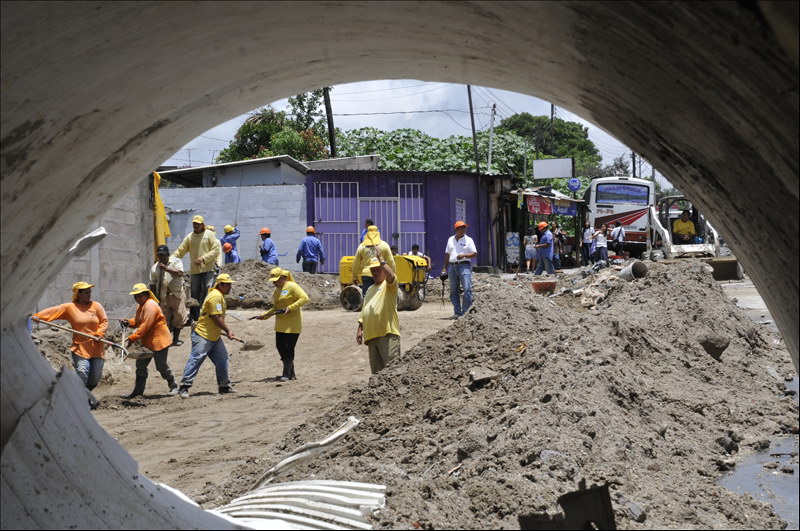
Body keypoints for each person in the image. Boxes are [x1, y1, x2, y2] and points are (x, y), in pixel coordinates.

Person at [32, 281, 108, 391]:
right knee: (82, 371)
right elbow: (54, 311)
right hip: (80, 348)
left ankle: (85, 394)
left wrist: (99, 333)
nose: (89, 294)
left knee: (95, 378)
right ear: (78, 294)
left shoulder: (96, 306)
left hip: (97, 347)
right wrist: (38, 316)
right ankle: (79, 396)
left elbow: (104, 321)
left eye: (89, 292)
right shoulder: (70, 307)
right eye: (86, 292)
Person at [177, 274, 238, 398]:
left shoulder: (218, 295)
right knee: (196, 358)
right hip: (203, 335)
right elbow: (215, 316)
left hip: (213, 335)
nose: (230, 287)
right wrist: (228, 330)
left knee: (223, 359)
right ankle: (184, 386)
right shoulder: (215, 297)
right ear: (220, 285)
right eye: (228, 284)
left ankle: (224, 386)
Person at [119, 284, 177, 398]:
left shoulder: (151, 306)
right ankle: (138, 391)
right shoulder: (140, 305)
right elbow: (137, 321)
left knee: (161, 366)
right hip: (148, 341)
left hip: (159, 340)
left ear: (146, 295)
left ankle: (173, 385)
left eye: (139, 296)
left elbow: (145, 325)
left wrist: (132, 338)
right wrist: (128, 322)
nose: (137, 299)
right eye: (135, 297)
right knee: (140, 365)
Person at [254, 267, 309, 381]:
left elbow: (304, 298)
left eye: (276, 280)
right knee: (280, 347)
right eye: (273, 280)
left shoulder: (292, 286)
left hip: (292, 323)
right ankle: (291, 372)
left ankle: (286, 373)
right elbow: (275, 308)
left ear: (283, 277)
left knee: (289, 348)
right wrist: (264, 315)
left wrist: (291, 307)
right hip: (280, 324)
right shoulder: (277, 290)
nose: (274, 282)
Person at [171, 214, 220, 322]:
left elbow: (215, 250)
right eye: (194, 224)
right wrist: (170, 259)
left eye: (198, 224)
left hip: (208, 269)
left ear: (202, 225)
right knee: (195, 293)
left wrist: (203, 258)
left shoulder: (209, 235)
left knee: (208, 291)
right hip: (195, 270)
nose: (195, 226)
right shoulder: (190, 237)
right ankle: (194, 316)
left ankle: (208, 315)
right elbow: (181, 250)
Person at [356, 257, 400, 374]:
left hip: (387, 333)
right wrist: (360, 328)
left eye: (378, 270)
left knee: (392, 369)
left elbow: (391, 276)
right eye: (373, 270)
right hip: (372, 335)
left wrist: (381, 259)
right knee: (376, 374)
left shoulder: (388, 285)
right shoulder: (370, 289)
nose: (375, 273)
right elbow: (365, 309)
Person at [149, 244, 187, 347]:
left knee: (178, 316)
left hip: (176, 294)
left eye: (164, 255)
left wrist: (166, 269)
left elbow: (180, 274)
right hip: (163, 296)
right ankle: (167, 340)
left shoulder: (176, 262)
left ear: (168, 255)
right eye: (160, 255)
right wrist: (153, 298)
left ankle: (176, 339)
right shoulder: (154, 268)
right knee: (164, 319)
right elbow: (152, 283)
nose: (162, 257)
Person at [440, 220, 477, 319]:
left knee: (467, 289)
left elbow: (474, 253)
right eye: (462, 227)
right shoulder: (450, 240)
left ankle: (465, 312)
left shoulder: (469, 240)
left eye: (465, 227)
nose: (464, 229)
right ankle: (457, 312)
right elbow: (447, 254)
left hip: (464, 265)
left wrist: (464, 255)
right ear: (457, 229)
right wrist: (444, 268)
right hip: (452, 266)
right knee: (453, 290)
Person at [352, 225, 396, 296]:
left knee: (367, 297)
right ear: (378, 233)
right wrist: (392, 274)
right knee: (380, 297)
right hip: (381, 275)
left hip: (366, 275)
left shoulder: (361, 247)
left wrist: (355, 276)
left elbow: (356, 263)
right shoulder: (384, 245)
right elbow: (391, 261)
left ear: (367, 234)